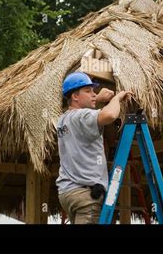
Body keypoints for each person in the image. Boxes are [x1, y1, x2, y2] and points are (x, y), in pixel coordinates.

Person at [56, 72, 133, 224]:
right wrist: (116, 99)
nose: (94, 94)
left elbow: (81, 111)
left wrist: (97, 99)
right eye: (88, 91)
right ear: (75, 97)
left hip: (68, 192)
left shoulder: (63, 119)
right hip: (86, 196)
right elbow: (110, 115)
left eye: (93, 91)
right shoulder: (82, 116)